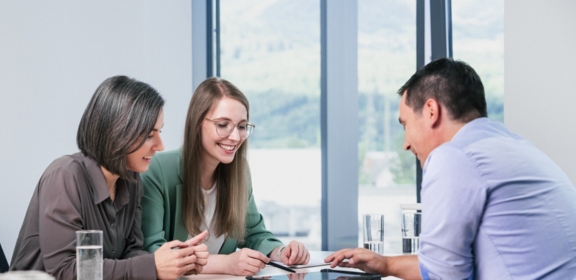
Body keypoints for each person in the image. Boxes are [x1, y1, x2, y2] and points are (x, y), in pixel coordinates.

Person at [325, 58, 576, 279]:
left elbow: (444, 277)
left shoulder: (454, 157)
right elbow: (445, 267)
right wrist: (386, 264)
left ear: (431, 111)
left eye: (405, 124)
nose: (406, 144)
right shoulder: (518, 147)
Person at [10, 76, 209, 279]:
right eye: (150, 135)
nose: (160, 145)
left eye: (159, 132)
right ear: (118, 132)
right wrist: (152, 266)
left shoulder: (131, 180)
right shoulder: (64, 177)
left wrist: (176, 262)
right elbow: (65, 271)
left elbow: (131, 252)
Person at [140, 77, 310, 276]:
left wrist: (282, 252)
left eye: (241, 126)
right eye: (223, 124)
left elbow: (254, 233)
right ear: (197, 123)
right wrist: (225, 263)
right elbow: (152, 251)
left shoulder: (240, 172)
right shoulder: (157, 170)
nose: (235, 137)